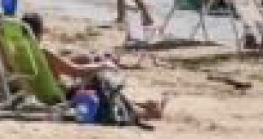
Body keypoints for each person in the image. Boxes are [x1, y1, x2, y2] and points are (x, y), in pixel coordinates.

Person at [21, 13, 169, 121]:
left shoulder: (19, 52)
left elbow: (51, 68)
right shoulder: (43, 53)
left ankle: (141, 104)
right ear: (39, 32)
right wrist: (102, 65)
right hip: (62, 97)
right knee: (100, 82)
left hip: (41, 93)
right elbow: (75, 71)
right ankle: (145, 112)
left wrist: (83, 60)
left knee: (86, 59)